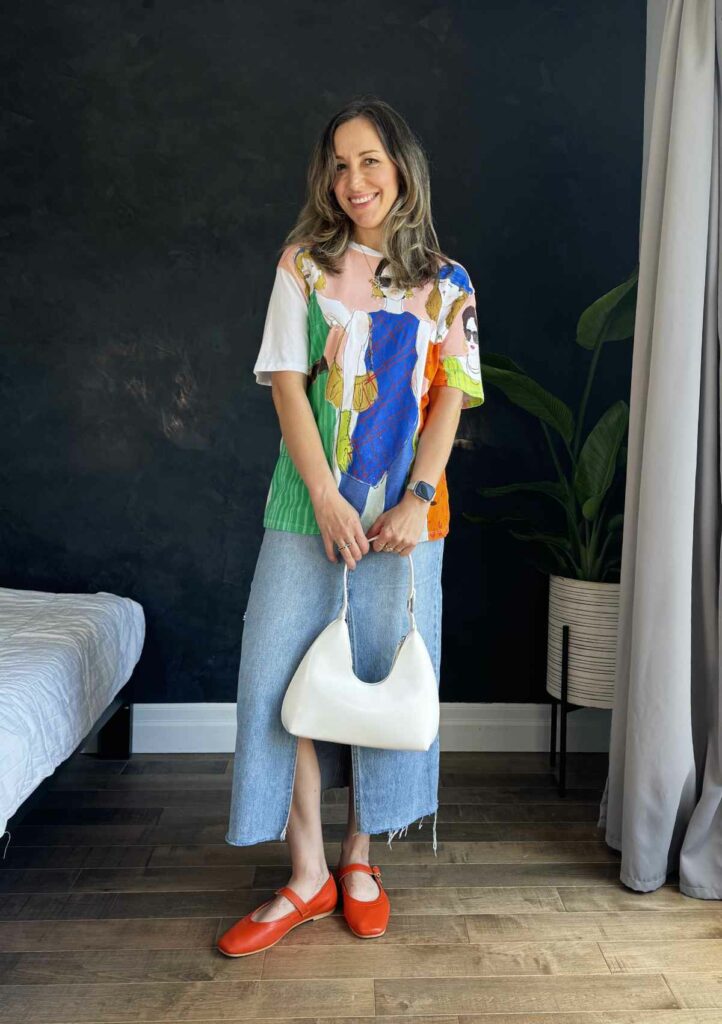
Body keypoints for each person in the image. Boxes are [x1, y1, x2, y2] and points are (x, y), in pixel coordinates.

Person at [217, 96, 484, 958]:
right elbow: (288, 385)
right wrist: (327, 495)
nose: (353, 180)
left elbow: (450, 398)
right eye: (339, 164)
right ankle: (306, 875)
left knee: (378, 674)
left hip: (407, 520)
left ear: (401, 167)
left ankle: (361, 859)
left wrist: (416, 496)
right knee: (274, 681)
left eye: (369, 161)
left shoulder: (449, 283)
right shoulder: (302, 265)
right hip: (305, 505)